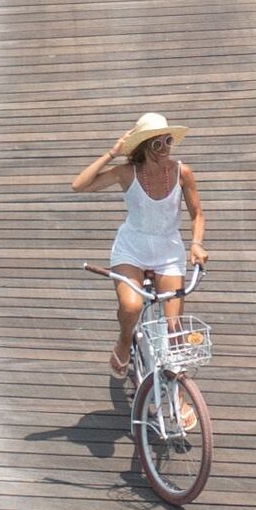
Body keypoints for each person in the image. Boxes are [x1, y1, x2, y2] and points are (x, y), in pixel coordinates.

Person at [67, 113, 207, 400]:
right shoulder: (127, 172)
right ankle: (123, 342)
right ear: (144, 146)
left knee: (174, 331)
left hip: (168, 251)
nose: (166, 147)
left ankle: (179, 398)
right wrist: (112, 153)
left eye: (168, 140)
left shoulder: (182, 172)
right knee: (130, 308)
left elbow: (198, 214)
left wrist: (196, 243)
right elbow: (78, 185)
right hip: (132, 249)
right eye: (158, 143)